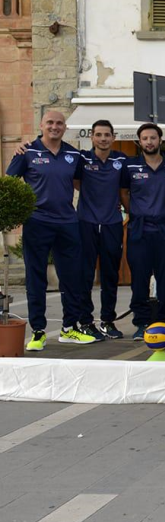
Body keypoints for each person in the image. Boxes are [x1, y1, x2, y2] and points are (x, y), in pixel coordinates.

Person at [7, 111, 96, 350]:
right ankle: (38, 332)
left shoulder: (73, 154)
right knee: (36, 279)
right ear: (41, 125)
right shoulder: (27, 152)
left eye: (59, 123)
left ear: (65, 127)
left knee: (72, 278)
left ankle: (70, 328)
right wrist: (15, 215)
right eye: (50, 123)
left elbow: (80, 182)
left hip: (68, 223)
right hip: (37, 222)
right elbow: (8, 183)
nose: (54, 127)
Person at [120, 123, 165, 341]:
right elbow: (123, 193)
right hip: (139, 230)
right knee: (140, 278)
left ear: (160, 140)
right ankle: (141, 321)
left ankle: (163, 319)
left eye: (153, 138)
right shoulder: (130, 166)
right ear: (139, 141)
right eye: (145, 138)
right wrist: (136, 212)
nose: (149, 142)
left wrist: (164, 213)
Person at [75, 120, 127, 340]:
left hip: (112, 223)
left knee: (110, 275)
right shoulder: (82, 159)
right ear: (92, 138)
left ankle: (107, 320)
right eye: (99, 135)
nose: (103, 138)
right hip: (86, 222)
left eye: (107, 135)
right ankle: (85, 321)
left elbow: (127, 186)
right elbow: (76, 182)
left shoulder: (121, 160)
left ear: (113, 137)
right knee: (85, 274)